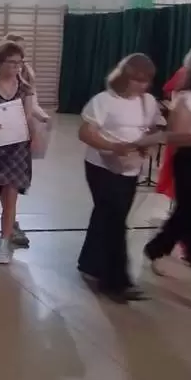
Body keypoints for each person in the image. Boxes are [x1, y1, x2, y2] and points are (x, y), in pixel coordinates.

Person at [77, 53, 159, 303]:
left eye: (146, 80)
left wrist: (145, 144)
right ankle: (116, 281)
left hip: (130, 168)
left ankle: (90, 263)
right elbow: (86, 133)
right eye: (137, 79)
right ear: (123, 77)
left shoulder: (148, 102)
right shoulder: (104, 100)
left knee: (107, 215)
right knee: (114, 219)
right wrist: (114, 147)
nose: (142, 85)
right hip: (101, 166)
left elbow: (152, 128)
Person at [0, 33, 48, 247]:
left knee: (11, 196)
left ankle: (6, 239)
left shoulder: (26, 84)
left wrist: (36, 132)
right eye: (12, 61)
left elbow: (29, 112)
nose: (17, 66)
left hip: (17, 148)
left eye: (20, 61)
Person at [145, 49, 191, 282]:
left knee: (185, 215)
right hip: (190, 162)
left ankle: (157, 248)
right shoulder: (187, 99)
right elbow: (174, 136)